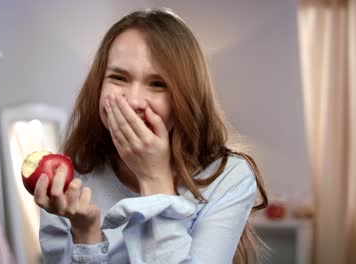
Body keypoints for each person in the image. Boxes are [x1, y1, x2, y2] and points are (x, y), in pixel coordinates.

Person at [34, 8, 268, 264]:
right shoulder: (70, 180)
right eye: (118, 78)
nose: (133, 101)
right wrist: (86, 233)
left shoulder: (228, 177)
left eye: (157, 84)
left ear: (186, 96)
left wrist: (154, 180)